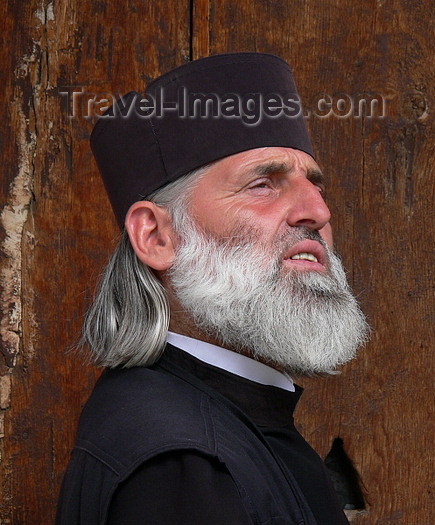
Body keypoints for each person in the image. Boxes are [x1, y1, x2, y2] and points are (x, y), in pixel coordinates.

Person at [56, 53, 369, 525]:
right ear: (157, 237)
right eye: (263, 184)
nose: (317, 211)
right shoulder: (181, 463)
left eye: (316, 187)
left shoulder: (228, 418)